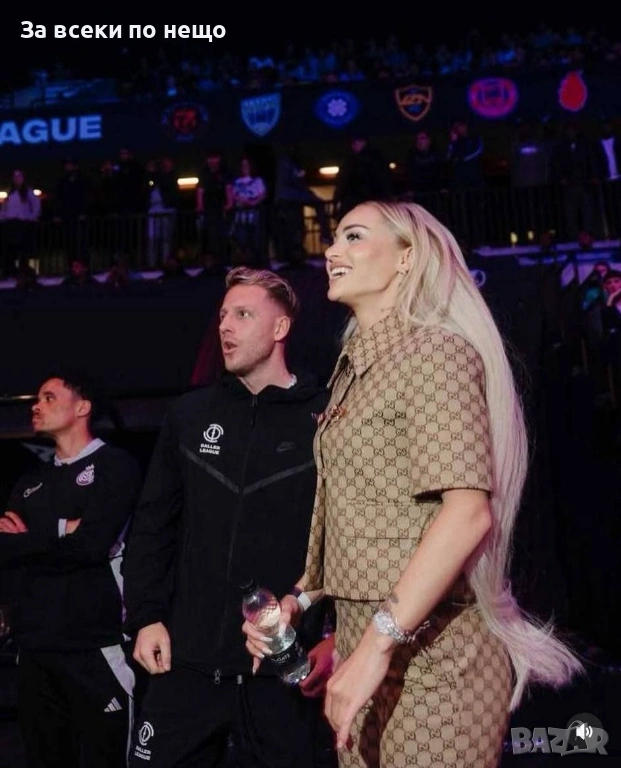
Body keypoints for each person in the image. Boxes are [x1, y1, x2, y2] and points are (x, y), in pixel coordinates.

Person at [243, 201, 583, 767]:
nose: (332, 251)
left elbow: (467, 514)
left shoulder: (434, 353)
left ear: (406, 258)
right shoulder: (354, 369)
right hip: (364, 653)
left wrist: (374, 647)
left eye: (353, 236)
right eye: (334, 239)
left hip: (437, 663)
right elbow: (364, 518)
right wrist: (304, 606)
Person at [124, 266, 336, 767]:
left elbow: (344, 539)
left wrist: (335, 637)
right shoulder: (190, 414)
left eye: (242, 315)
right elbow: (153, 526)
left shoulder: (325, 416)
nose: (225, 326)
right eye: (222, 315)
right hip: (186, 663)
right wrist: (146, 617)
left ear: (280, 328)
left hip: (283, 667)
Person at [0, 370, 142, 768]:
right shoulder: (29, 483)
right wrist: (66, 528)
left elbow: (91, 545)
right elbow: (4, 549)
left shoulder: (115, 466)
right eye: (37, 398)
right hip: (34, 652)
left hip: (94, 647)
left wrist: (32, 538)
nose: (36, 405)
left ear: (82, 408)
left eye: (48, 397)